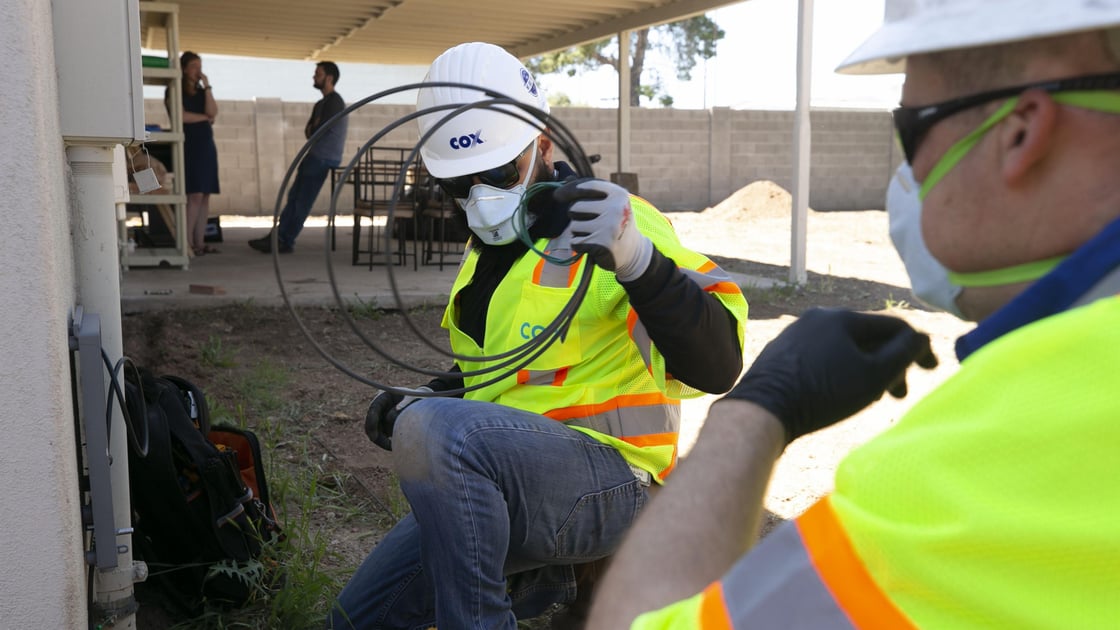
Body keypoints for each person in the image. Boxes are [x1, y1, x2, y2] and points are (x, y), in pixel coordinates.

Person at [586, 1, 1120, 627]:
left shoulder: (978, 477)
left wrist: (756, 412)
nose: (907, 173)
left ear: (1022, 132)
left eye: (911, 128)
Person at [328, 42, 749, 629]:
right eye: (458, 184)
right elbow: (506, 381)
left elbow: (719, 364)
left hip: (616, 484)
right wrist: (430, 396)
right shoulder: (488, 254)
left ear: (542, 143)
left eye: (497, 172)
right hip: (512, 481)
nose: (479, 196)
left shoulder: (614, 224)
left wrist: (637, 261)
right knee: (355, 620)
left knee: (434, 436)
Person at [249, 61, 347, 254]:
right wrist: (315, 126)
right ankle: (278, 237)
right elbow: (309, 130)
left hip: (323, 158)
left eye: (318, 74)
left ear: (329, 78)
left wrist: (315, 126)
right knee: (294, 197)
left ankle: (284, 239)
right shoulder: (321, 104)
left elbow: (319, 129)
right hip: (314, 155)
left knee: (302, 200)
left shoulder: (334, 102)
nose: (314, 77)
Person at [167, 51, 219, 256]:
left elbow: (213, 112)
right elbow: (181, 116)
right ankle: (187, 242)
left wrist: (207, 87)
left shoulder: (200, 92)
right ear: (185, 68)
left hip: (206, 144)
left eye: (200, 66)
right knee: (194, 194)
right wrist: (204, 117)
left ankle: (200, 242)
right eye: (194, 66)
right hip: (190, 144)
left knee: (205, 195)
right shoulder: (174, 90)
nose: (198, 71)